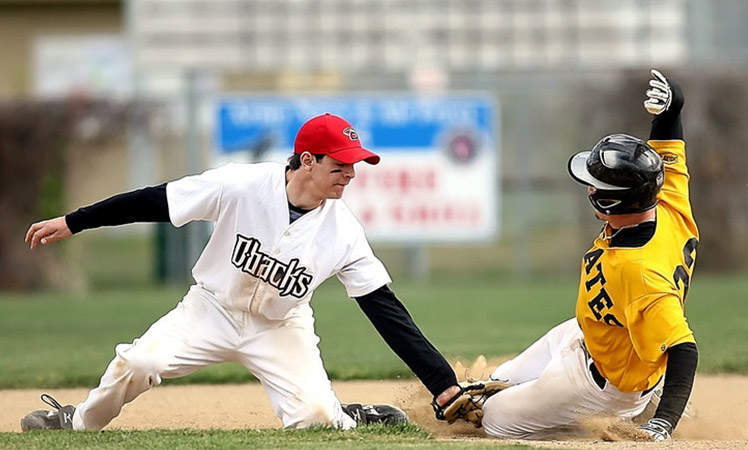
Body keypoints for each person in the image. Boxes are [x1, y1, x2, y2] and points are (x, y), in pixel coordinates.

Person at [21, 112, 466, 431]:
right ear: (307, 160)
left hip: (279, 327)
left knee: (315, 420)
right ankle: (77, 421)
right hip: (210, 310)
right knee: (140, 362)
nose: (350, 173)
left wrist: (442, 384)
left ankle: (345, 415)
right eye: (340, 164)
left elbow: (386, 312)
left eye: (354, 165)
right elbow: (158, 200)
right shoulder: (242, 185)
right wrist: (75, 221)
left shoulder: (343, 232)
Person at [462, 70, 699, 441]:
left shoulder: (639, 271)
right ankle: (609, 401)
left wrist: (664, 423)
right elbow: (669, 142)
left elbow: (684, 349)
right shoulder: (666, 200)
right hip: (589, 333)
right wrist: (672, 108)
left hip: (603, 386)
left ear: (610, 200)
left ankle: (616, 415)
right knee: (494, 383)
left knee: (490, 420)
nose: (589, 186)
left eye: (595, 184)